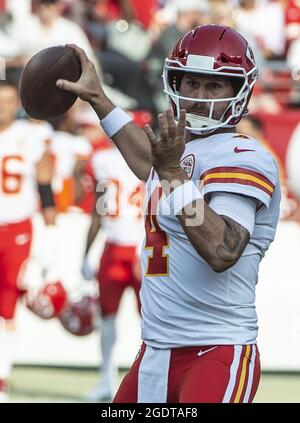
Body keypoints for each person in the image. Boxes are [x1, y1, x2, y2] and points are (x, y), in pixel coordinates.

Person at [56, 24, 281, 403]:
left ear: (239, 91)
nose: (198, 96)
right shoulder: (179, 152)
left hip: (215, 350)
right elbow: (147, 159)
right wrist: (99, 99)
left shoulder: (245, 156)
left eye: (214, 85)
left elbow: (221, 249)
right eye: (190, 83)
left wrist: (174, 175)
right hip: (155, 351)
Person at [0, 81, 56, 401]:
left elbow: (45, 185)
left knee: (7, 306)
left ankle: (2, 378)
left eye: (8, 100)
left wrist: (50, 234)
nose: (3, 106)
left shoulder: (30, 135)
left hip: (17, 229)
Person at [80, 137, 144, 401]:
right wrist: (84, 254)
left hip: (143, 249)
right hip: (120, 247)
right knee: (107, 318)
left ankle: (148, 380)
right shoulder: (104, 160)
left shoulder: (103, 159)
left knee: (152, 322)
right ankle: (107, 379)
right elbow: (99, 210)